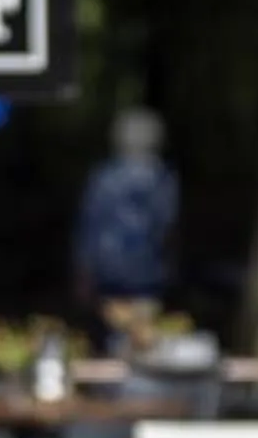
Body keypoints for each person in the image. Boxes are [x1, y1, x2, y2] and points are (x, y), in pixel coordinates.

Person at [73, 108, 180, 311]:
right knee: (141, 332)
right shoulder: (164, 178)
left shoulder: (104, 176)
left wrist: (83, 271)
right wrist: (171, 267)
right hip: (148, 272)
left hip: (108, 270)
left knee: (112, 328)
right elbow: (169, 228)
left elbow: (89, 225)